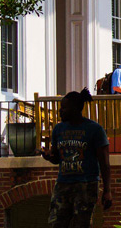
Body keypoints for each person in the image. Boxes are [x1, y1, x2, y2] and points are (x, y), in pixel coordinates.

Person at [41, 88, 113, 228]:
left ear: (75, 109)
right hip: (63, 183)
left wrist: (107, 190)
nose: (60, 111)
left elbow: (104, 163)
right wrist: (49, 156)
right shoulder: (59, 129)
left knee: (81, 224)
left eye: (64, 108)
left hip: (85, 185)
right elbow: (57, 158)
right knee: (56, 223)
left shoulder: (94, 130)